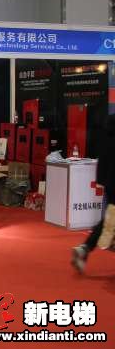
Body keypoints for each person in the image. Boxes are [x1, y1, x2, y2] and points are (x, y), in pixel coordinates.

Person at [71, 114, 115, 273]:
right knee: (109, 220)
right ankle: (85, 248)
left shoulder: (105, 140)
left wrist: (102, 182)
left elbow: (101, 164)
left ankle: (85, 248)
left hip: (110, 185)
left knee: (109, 219)